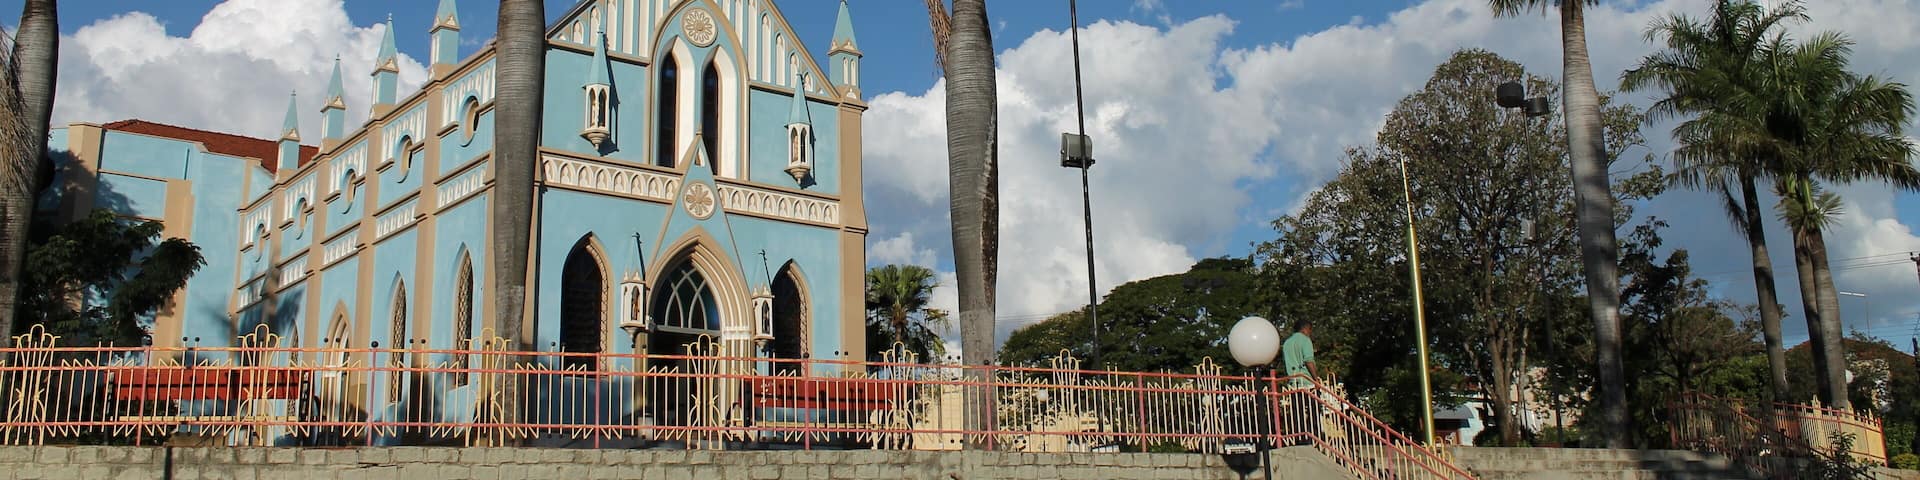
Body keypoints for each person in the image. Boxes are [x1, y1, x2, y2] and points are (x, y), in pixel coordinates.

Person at [1281, 318, 1320, 445]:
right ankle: (1313, 435)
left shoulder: (1287, 343)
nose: (1310, 333)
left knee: (1297, 411)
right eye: (1310, 330)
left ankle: (1299, 436)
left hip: (1293, 382)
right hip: (1307, 381)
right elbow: (1309, 360)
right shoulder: (1305, 340)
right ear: (1305, 328)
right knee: (1313, 410)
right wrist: (1316, 379)